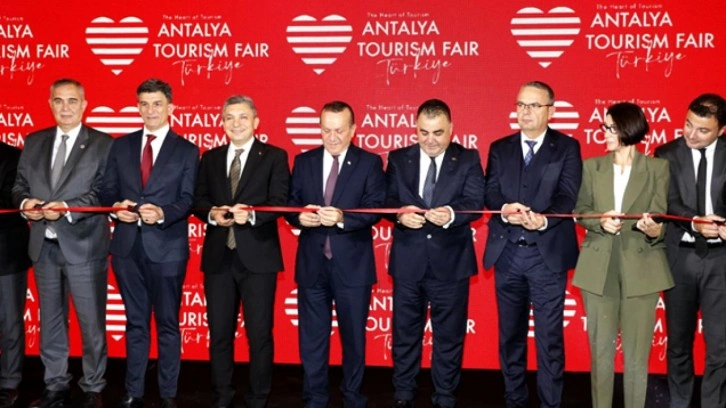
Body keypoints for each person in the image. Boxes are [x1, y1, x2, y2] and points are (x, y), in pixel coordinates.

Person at [12, 78, 113, 408]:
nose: (65, 107)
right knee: (51, 320)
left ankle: (93, 387)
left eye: (72, 101)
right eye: (59, 100)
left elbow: (103, 191)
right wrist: (25, 203)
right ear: (50, 104)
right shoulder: (34, 141)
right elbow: (19, 185)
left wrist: (67, 208)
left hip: (84, 245)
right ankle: (55, 385)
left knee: (91, 321)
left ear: (84, 105)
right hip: (43, 246)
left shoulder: (102, 143)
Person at [99, 78, 199, 408]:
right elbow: (107, 191)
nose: (150, 110)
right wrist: (116, 208)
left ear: (170, 107)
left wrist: (162, 213)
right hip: (126, 248)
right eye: (144, 104)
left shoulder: (187, 150)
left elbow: (188, 199)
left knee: (168, 324)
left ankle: (168, 393)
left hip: (167, 248)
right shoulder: (121, 146)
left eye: (157, 104)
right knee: (135, 323)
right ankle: (134, 391)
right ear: (138, 107)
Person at [483, 81, 582, 408]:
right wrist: (504, 209)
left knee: (549, 339)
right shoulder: (500, 148)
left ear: (551, 111)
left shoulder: (567, 147)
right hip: (508, 254)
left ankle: (550, 403)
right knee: (510, 337)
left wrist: (543, 220)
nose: (525, 111)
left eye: (533, 106)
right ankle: (514, 399)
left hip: (546, 256)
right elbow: (490, 192)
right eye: (521, 105)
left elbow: (568, 195)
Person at [385, 99, 486, 408]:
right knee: (404, 333)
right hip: (408, 261)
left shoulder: (468, 158)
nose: (430, 140)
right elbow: (386, 200)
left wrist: (452, 214)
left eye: (438, 133)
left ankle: (444, 394)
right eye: (423, 132)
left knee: (449, 336)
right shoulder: (398, 158)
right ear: (415, 129)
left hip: (451, 262)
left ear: (451, 129)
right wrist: (400, 214)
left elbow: (475, 203)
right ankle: (403, 391)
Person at [572, 102, 673, 407]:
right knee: (600, 355)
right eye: (604, 127)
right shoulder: (592, 167)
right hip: (598, 267)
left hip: (641, 268)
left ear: (629, 129)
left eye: (610, 128)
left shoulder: (657, 168)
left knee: (637, 358)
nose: (603, 133)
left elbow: (661, 217)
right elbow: (580, 211)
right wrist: (599, 221)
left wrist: (654, 229)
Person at [286, 101, 385, 408]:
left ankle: (352, 395)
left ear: (353, 130)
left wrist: (342, 218)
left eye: (339, 130)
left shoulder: (369, 163)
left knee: (353, 338)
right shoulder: (304, 161)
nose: (332, 137)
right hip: (312, 264)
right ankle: (315, 397)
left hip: (353, 265)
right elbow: (290, 204)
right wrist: (299, 217)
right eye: (326, 130)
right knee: (312, 338)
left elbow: (375, 208)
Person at [193, 95, 290, 408]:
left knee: (259, 334)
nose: (236, 124)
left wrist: (251, 215)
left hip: (258, 258)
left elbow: (280, 201)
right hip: (218, 257)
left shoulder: (274, 156)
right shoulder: (210, 158)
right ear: (222, 123)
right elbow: (199, 200)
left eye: (243, 117)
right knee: (220, 333)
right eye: (229, 118)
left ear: (256, 122)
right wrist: (212, 214)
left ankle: (259, 397)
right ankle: (222, 395)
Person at [654, 93, 726, 408]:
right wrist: (695, 222)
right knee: (679, 343)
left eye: (702, 130)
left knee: (720, 347)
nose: (691, 134)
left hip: (721, 260)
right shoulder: (666, 154)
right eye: (688, 124)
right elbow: (666, 202)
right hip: (680, 258)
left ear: (721, 130)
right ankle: (679, 402)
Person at [0, 142, 30, 408]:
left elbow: (13, 198)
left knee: (9, 321)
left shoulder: (12, 156)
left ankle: (9, 383)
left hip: (5, 252)